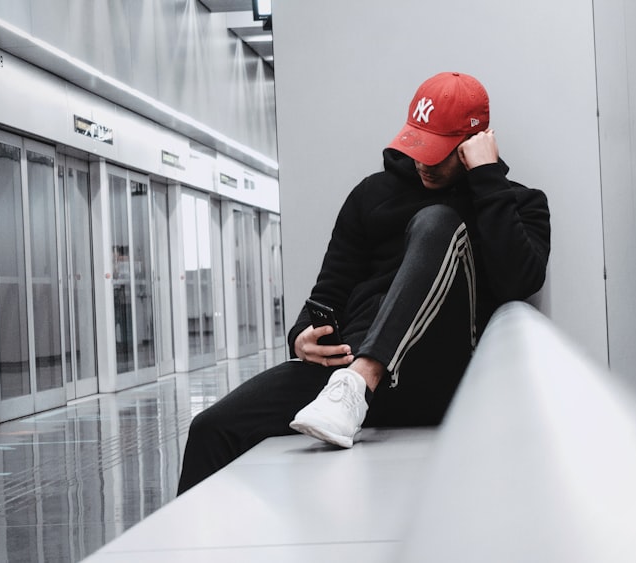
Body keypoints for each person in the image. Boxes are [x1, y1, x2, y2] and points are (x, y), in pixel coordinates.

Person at [177, 71, 551, 494]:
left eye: (440, 152)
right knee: (212, 428)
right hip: (341, 381)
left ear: (473, 143)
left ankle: (362, 379)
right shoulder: (371, 195)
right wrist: (303, 335)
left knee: (438, 222)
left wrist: (486, 180)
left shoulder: (517, 203)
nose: (424, 163)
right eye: (419, 146)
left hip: (437, 375)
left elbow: (519, 281)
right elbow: (330, 289)